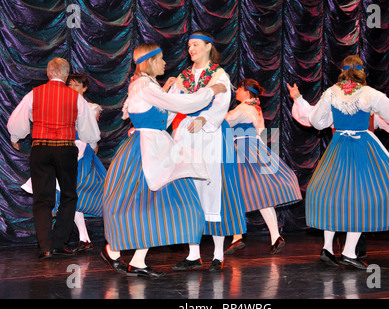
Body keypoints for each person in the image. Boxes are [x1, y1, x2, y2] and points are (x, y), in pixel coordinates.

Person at [101, 43, 226, 278]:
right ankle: (114, 249)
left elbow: (165, 115)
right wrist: (213, 90)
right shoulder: (143, 86)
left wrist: (168, 90)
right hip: (146, 150)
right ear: (150, 62)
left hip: (157, 147)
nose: (165, 63)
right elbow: (182, 105)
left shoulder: (148, 86)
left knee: (156, 204)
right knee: (140, 202)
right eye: (161, 59)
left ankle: (136, 259)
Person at [290, 55, 389, 269]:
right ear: (362, 72)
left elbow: (316, 121)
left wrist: (300, 100)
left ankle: (327, 247)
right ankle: (349, 252)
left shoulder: (331, 92)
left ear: (342, 71)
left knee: (330, 193)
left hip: (339, 146)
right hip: (363, 146)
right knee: (362, 197)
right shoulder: (369, 93)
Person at [7, 58, 100, 260]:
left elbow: (17, 120)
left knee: (42, 198)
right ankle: (58, 243)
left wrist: (15, 138)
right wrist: (92, 143)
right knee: (69, 195)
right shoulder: (75, 98)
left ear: (48, 73)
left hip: (40, 148)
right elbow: (87, 126)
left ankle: (46, 247)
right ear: (66, 76)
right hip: (65, 149)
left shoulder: (34, 94)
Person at [169, 31, 247, 272]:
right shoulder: (183, 77)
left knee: (212, 186)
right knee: (190, 188)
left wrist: (205, 118)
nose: (191, 49)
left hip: (210, 135)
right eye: (189, 45)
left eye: (195, 45)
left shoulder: (219, 74)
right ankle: (193, 254)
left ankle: (217, 253)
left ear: (207, 47)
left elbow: (222, 101)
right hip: (187, 134)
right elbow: (171, 103)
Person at [224, 79, 302, 255]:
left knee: (238, 192)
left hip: (244, 150)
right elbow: (260, 132)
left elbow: (225, 121)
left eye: (239, 89)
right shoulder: (255, 108)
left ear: (246, 92)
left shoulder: (243, 108)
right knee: (254, 193)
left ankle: (240, 237)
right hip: (254, 148)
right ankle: (270, 237)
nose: (236, 92)